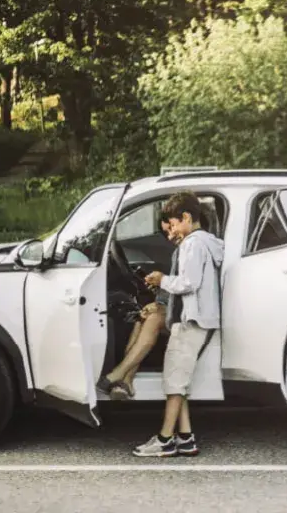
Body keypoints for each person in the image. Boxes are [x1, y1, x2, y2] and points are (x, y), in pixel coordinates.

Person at [132, 191, 225, 458]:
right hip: (203, 319)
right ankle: (185, 438)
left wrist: (162, 280)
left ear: (185, 217)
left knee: (173, 383)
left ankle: (164, 440)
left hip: (190, 320)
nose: (171, 231)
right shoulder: (209, 242)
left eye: (172, 225)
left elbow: (188, 283)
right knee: (179, 380)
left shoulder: (192, 245)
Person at [96, 221, 182, 401]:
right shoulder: (185, 249)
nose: (169, 236)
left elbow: (189, 288)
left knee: (153, 318)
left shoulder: (195, 250)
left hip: (188, 314)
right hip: (176, 306)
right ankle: (125, 381)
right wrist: (159, 300)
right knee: (141, 317)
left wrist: (162, 299)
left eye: (170, 229)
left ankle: (117, 374)